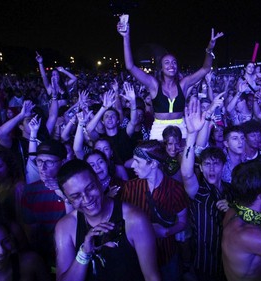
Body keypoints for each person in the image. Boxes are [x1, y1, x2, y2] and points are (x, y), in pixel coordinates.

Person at [117, 17, 224, 140]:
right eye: (167, 62)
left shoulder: (184, 84)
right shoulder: (153, 84)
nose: (171, 65)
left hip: (180, 127)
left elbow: (205, 69)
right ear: (161, 68)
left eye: (174, 62)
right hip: (159, 129)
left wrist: (209, 49)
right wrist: (126, 36)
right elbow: (130, 66)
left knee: (183, 158)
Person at [55, 159, 160, 281]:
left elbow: (152, 277)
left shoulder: (135, 219)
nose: (87, 199)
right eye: (76, 196)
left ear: (99, 183)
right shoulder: (66, 226)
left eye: (90, 188)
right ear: (67, 200)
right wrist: (84, 253)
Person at [121, 140, 188, 281]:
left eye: (138, 161)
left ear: (153, 164)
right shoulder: (130, 188)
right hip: (138, 258)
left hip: (167, 256)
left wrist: (167, 232)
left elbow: (182, 221)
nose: (133, 165)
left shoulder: (175, 189)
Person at [181, 97, 231, 280]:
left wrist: (233, 208)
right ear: (200, 168)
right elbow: (186, 174)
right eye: (207, 165)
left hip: (228, 263)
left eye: (216, 164)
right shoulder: (197, 191)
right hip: (202, 264)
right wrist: (191, 136)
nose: (211, 169)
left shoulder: (231, 192)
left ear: (223, 167)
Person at [20, 139, 69, 272]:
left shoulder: (73, 188)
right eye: (39, 161)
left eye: (49, 162)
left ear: (63, 162)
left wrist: (64, 196)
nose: (42, 167)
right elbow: (32, 233)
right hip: (44, 258)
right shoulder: (30, 191)